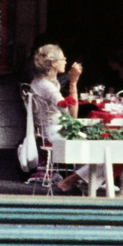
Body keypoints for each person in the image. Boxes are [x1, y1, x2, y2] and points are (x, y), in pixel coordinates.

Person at [30, 44, 93, 194]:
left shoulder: (41, 82)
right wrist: (73, 82)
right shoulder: (49, 87)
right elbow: (72, 115)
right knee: (102, 151)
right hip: (56, 132)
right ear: (53, 63)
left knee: (94, 146)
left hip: (49, 130)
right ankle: (74, 180)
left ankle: (78, 180)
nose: (65, 61)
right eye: (63, 59)